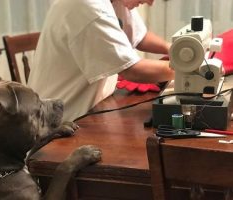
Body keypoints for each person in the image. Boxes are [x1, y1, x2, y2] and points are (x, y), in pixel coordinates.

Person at [28, 0, 174, 122]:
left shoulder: (117, 2)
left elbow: (139, 36)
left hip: (94, 109)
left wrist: (173, 49)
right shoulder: (87, 6)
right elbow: (132, 70)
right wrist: (189, 67)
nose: (150, 3)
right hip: (59, 123)